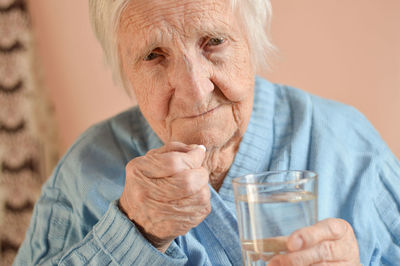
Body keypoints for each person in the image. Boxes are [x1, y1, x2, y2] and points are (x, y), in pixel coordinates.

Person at [14, 0, 400, 265]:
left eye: (213, 41)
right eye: (153, 56)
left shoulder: (347, 146)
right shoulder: (87, 172)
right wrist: (134, 233)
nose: (195, 89)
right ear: (124, 71)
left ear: (252, 40)